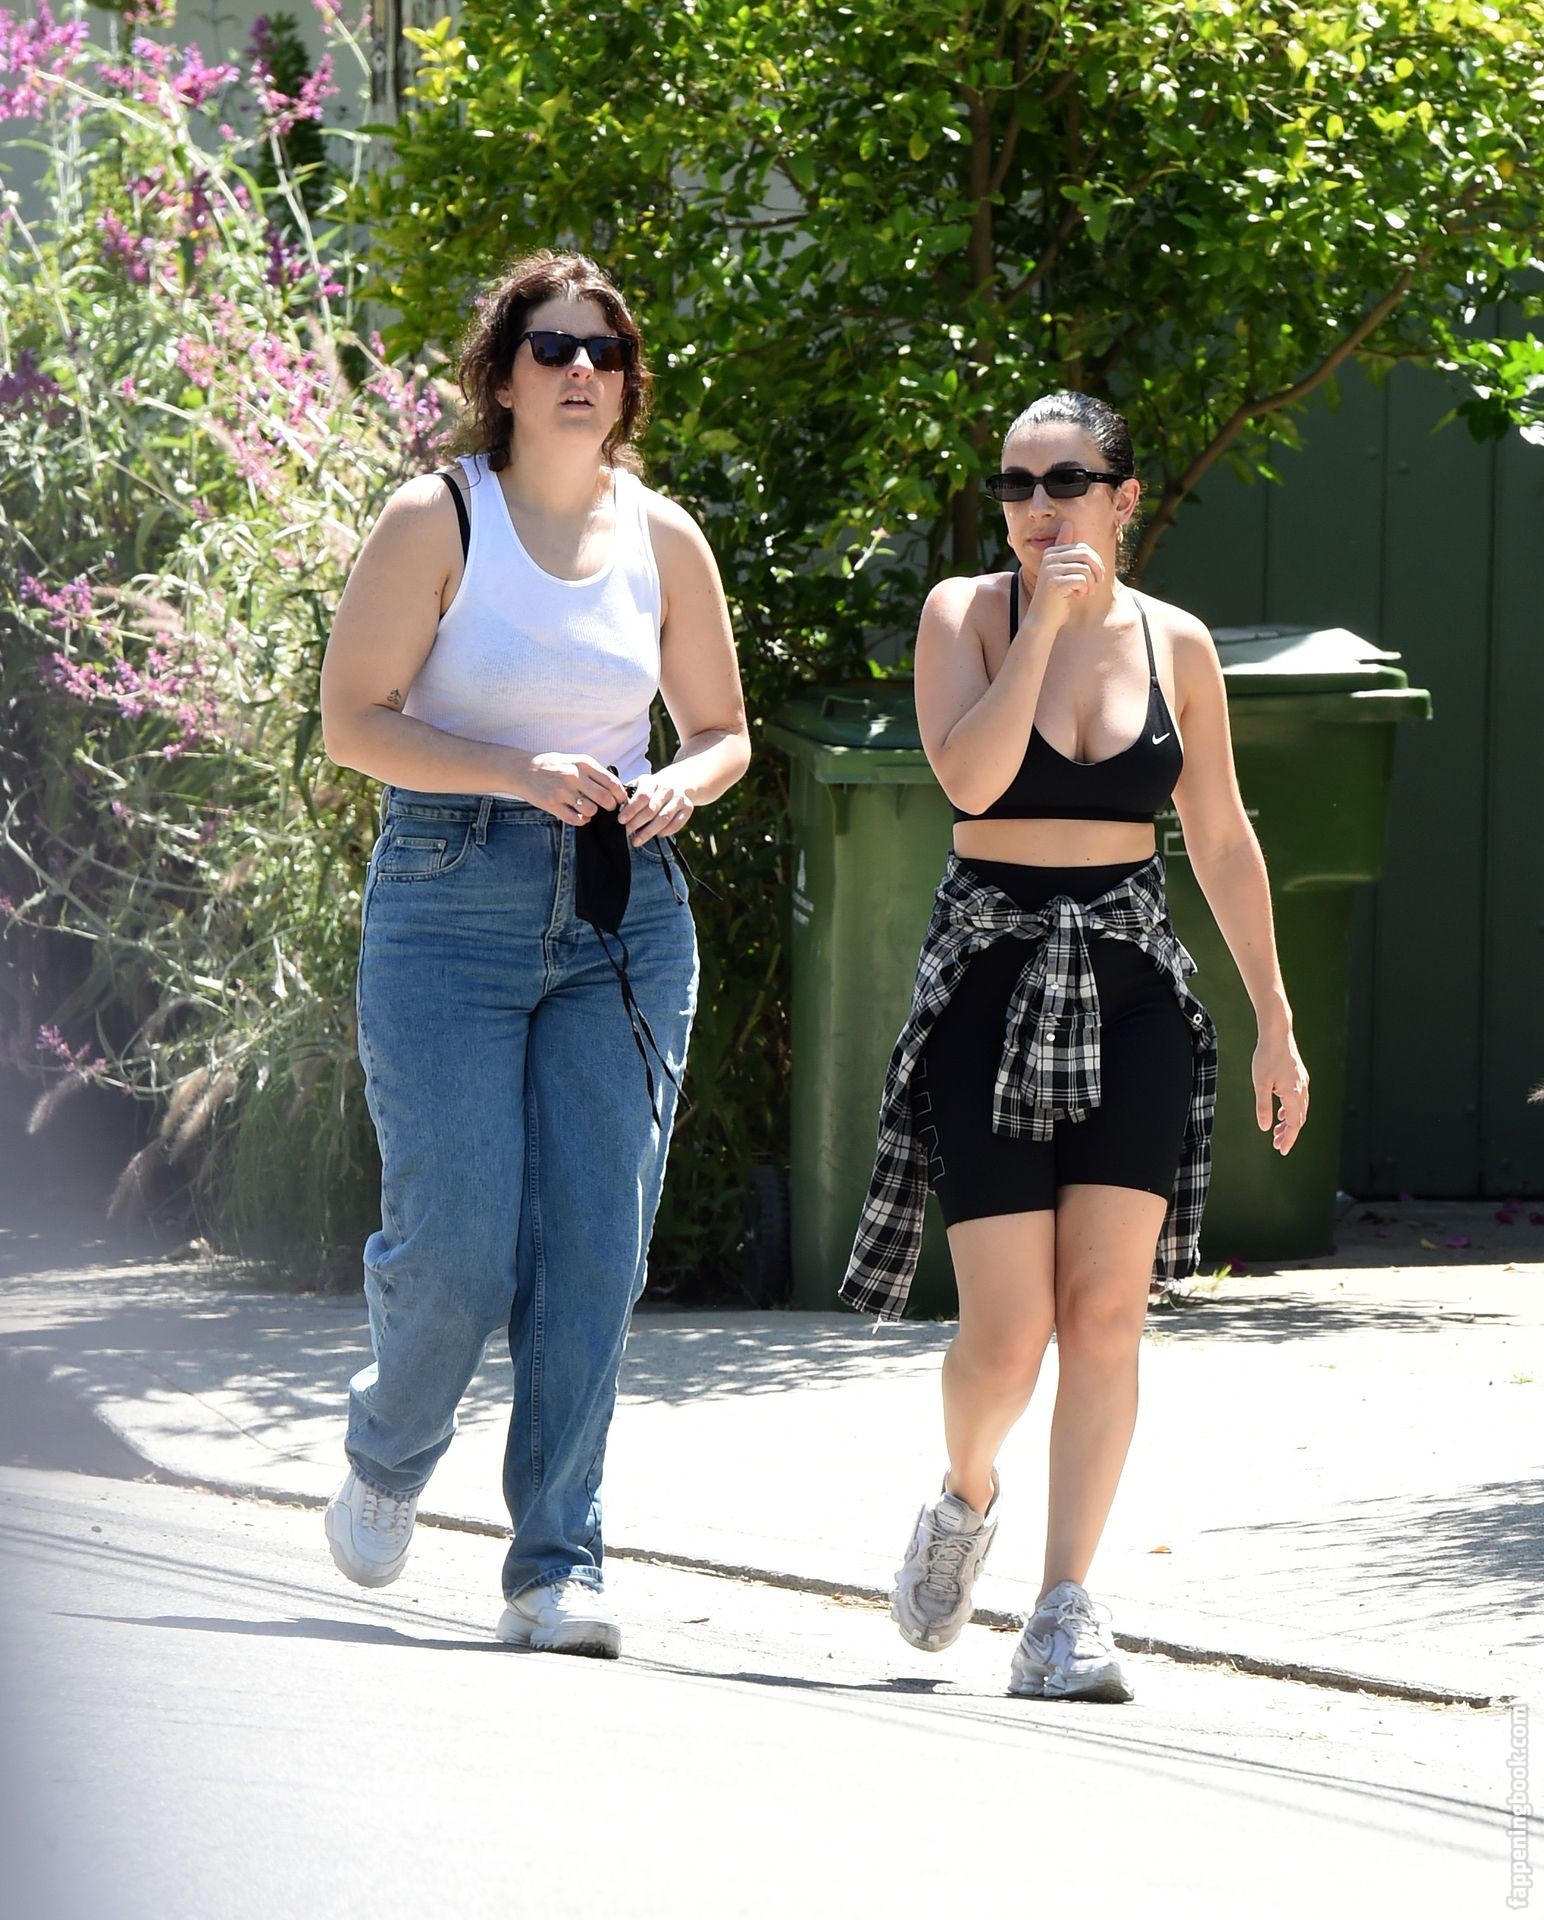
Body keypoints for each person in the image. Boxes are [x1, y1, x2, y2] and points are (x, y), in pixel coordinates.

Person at [842, 391, 1308, 1701]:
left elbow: (1220, 836)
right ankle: (964, 1495)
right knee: (1007, 1336)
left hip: (1134, 980)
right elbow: (971, 780)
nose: (1038, 506)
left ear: (1123, 497)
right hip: (991, 977)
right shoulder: (964, 615)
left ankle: (1062, 1607)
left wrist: (1275, 1020)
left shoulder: (1178, 644)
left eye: (1066, 481)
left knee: (1106, 1310)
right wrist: (1042, 625)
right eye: (1016, 485)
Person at [317, 249, 750, 1656]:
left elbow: (724, 730)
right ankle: (390, 1453)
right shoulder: (437, 519)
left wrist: (681, 782)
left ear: (626, 385)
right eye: (551, 347)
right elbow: (354, 722)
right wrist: (516, 770)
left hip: (626, 910)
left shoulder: (664, 536)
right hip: (450, 896)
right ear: (501, 376)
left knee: (594, 1249)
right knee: (458, 1242)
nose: (580, 371)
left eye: (603, 352)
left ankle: (556, 1562)